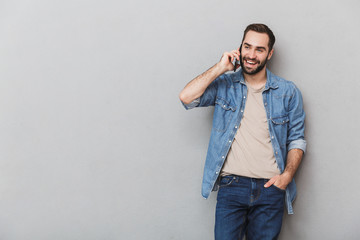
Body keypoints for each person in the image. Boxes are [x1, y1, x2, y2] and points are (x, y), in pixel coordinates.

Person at [179, 23, 306, 240]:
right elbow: (186, 98)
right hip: (232, 187)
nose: (251, 55)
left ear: (270, 54)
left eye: (259, 49)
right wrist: (220, 68)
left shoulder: (288, 92)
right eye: (247, 47)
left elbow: (297, 139)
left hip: (270, 188)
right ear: (240, 48)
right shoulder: (225, 85)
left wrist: (287, 176)